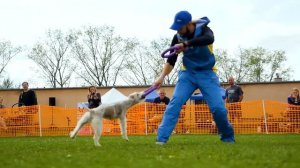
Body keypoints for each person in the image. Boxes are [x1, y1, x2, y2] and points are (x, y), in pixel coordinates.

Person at [154, 11, 235, 145]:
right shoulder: (178, 37)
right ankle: (161, 140)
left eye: (180, 27)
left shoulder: (204, 30)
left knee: (218, 108)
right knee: (174, 104)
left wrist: (186, 44)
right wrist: (161, 77)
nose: (178, 31)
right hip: (188, 74)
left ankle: (227, 137)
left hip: (207, 74)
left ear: (189, 24)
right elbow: (171, 61)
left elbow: (209, 39)